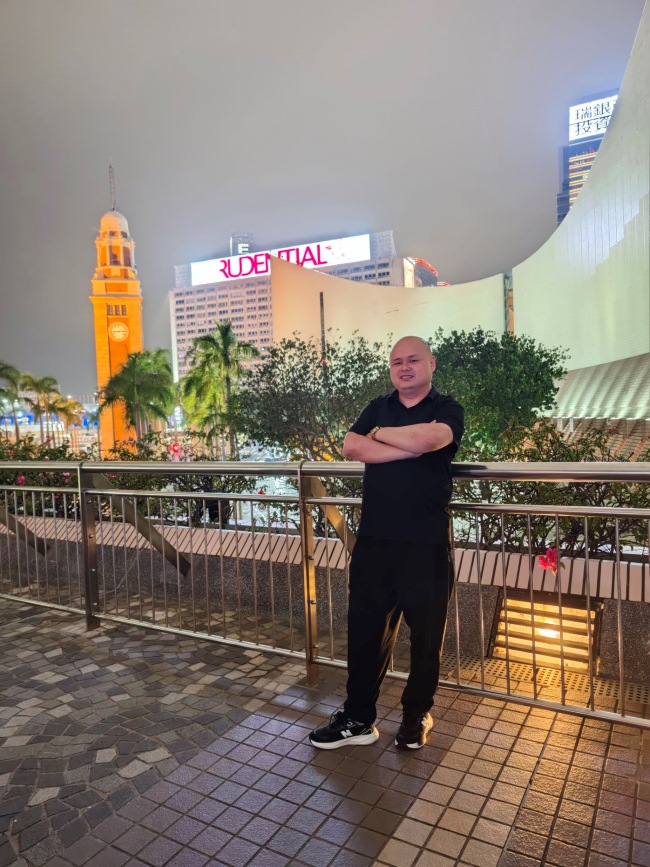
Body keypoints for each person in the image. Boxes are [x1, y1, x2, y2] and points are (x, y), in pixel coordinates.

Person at [309, 335, 464, 750]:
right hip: (375, 542)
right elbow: (351, 446)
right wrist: (409, 445)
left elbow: (432, 440)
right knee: (365, 632)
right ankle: (358, 718)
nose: (405, 367)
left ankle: (416, 716)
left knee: (426, 639)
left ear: (431, 363)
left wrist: (382, 438)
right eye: (397, 362)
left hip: (426, 544)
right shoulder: (376, 406)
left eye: (413, 360)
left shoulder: (447, 408)